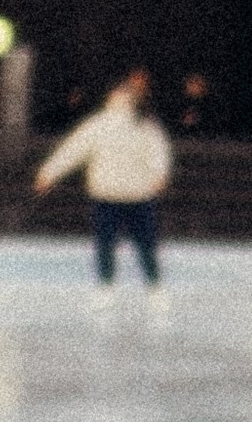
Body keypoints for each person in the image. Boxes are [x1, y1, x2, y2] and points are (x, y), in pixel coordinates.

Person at [34, 69, 174, 280]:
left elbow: (72, 150)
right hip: (136, 194)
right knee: (144, 244)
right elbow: (158, 153)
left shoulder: (102, 125)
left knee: (106, 244)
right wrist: (160, 175)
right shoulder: (144, 125)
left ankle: (108, 284)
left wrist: (48, 174)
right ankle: (152, 283)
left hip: (109, 194)